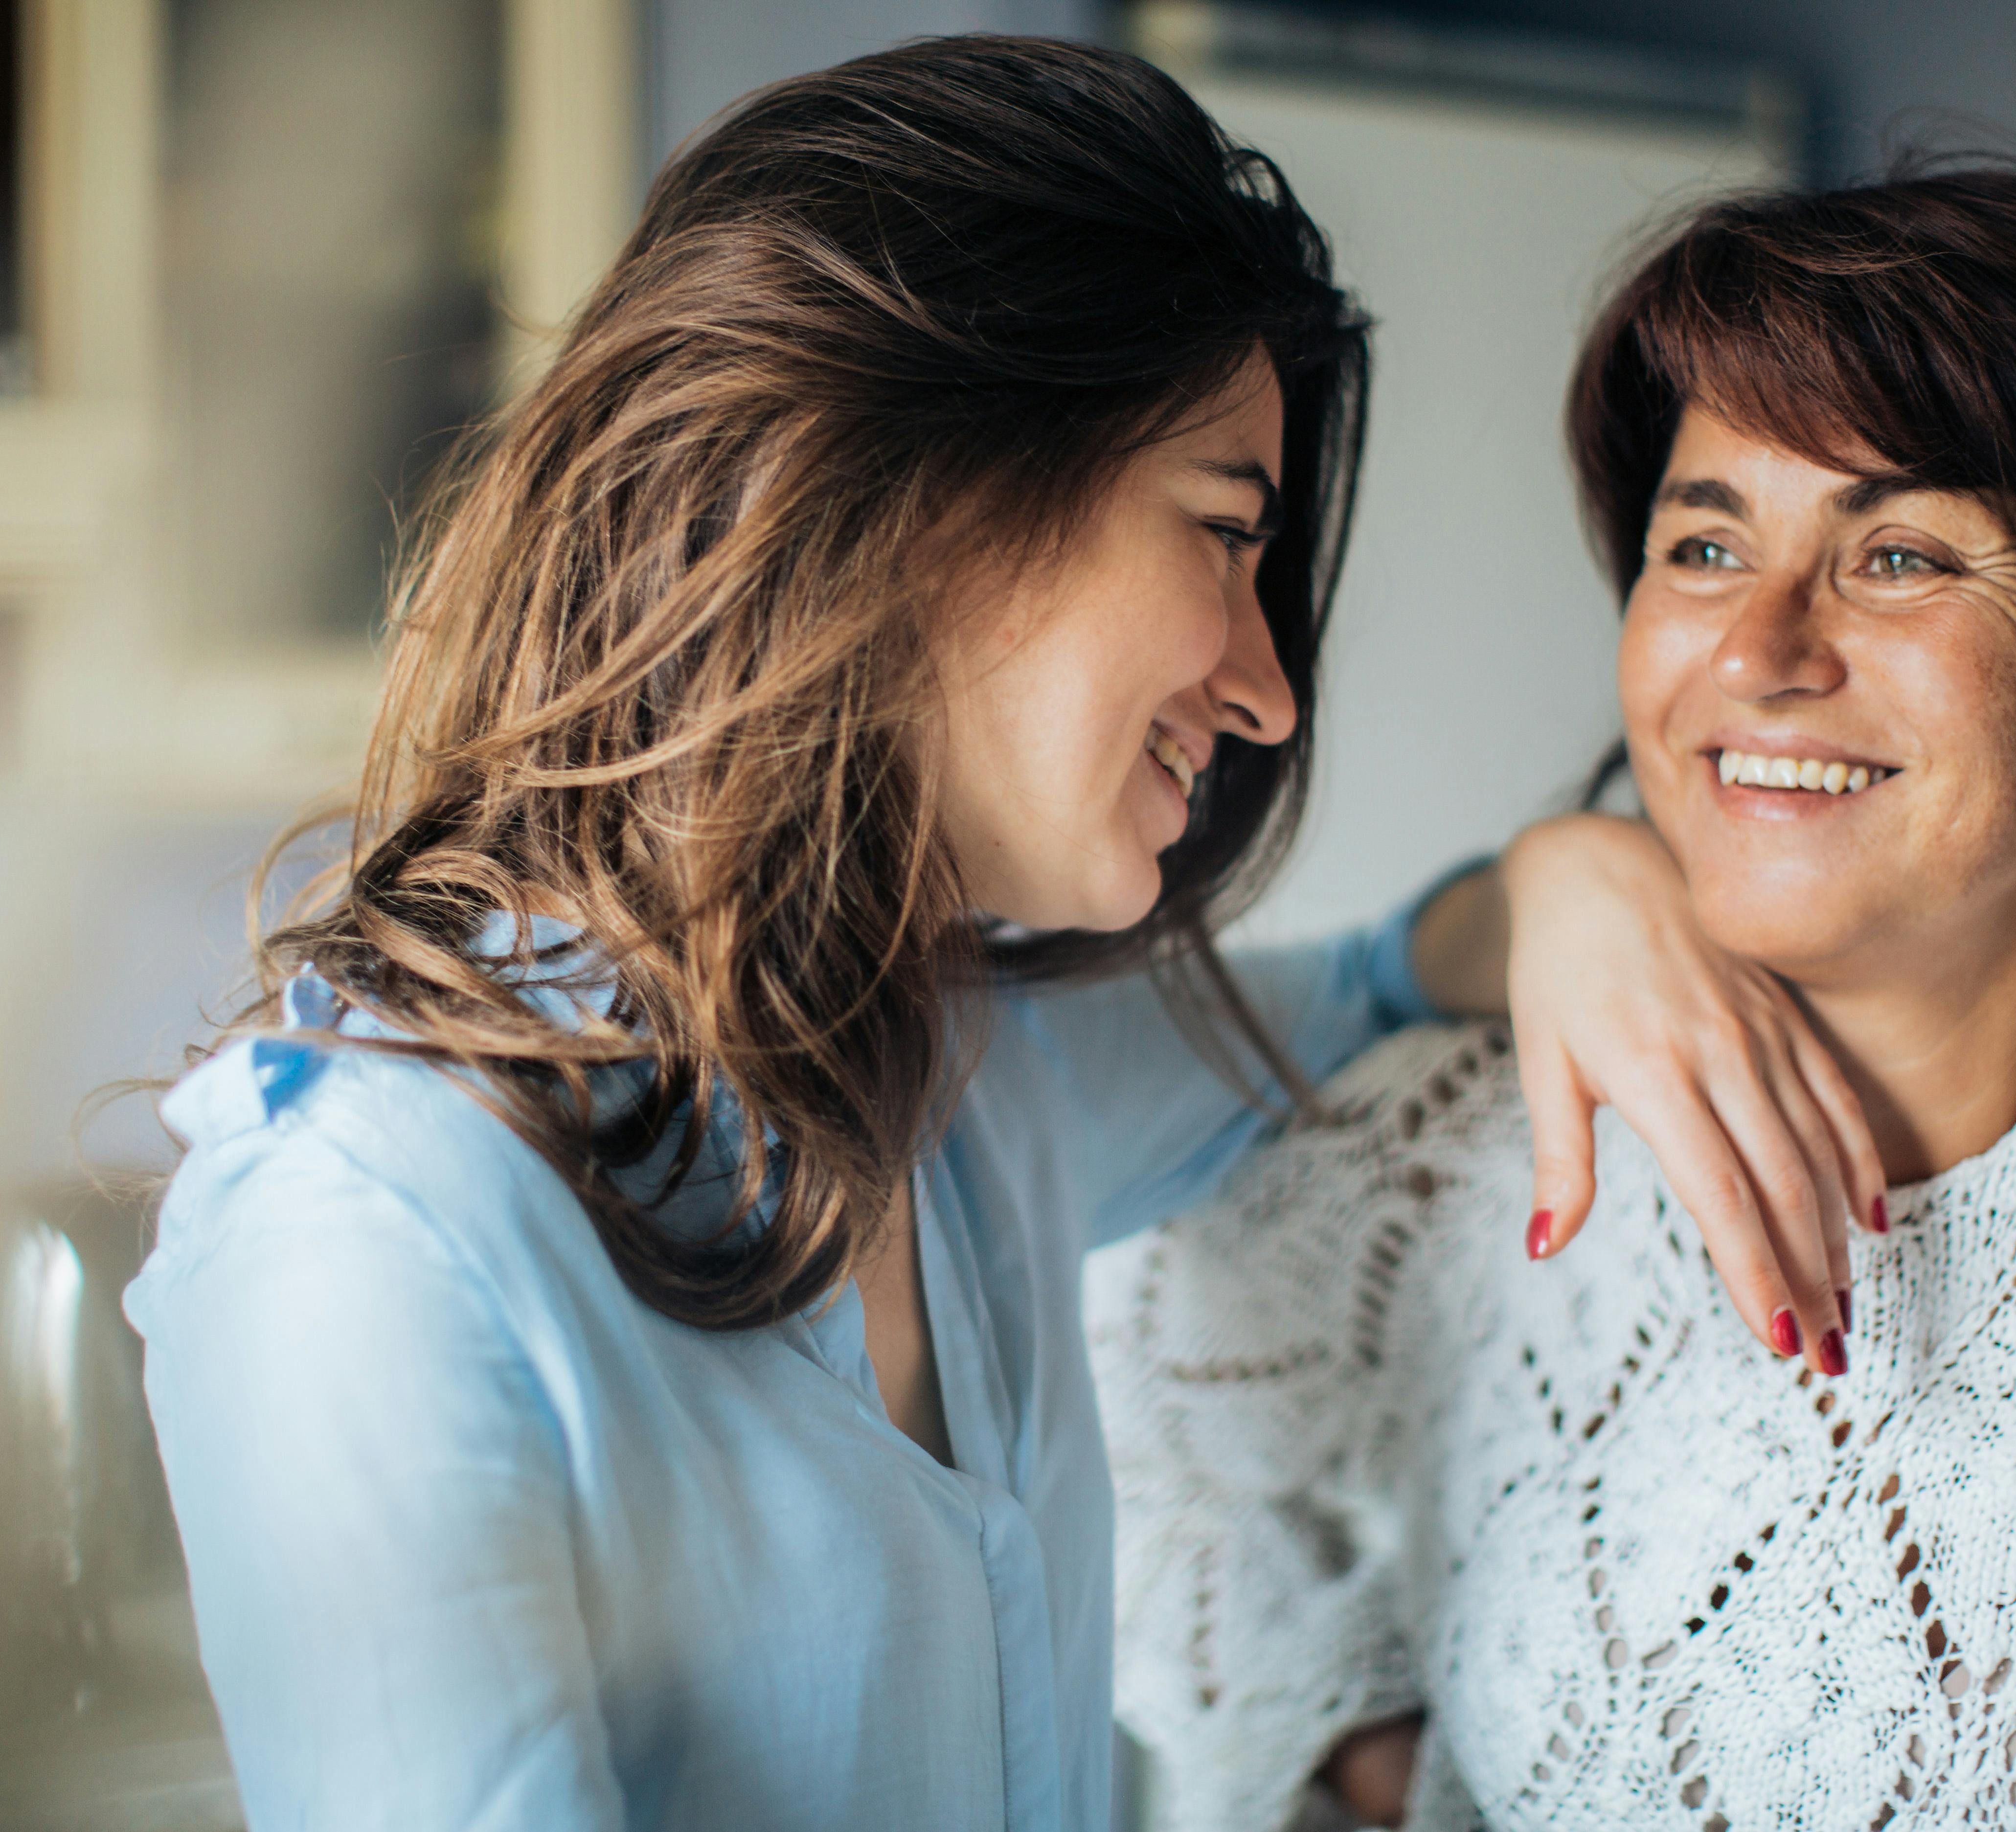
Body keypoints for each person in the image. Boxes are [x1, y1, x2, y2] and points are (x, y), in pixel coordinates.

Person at [123, 38, 1880, 1832]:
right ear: (919, 496)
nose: (1268, 693)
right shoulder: (375, 1230)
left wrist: (1579, 873)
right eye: (1220, 533)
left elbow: (1361, 991)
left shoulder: (956, 1071)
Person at [1094, 162, 2016, 1831]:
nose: (1758, 644)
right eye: (1705, 540)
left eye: (1897, 554)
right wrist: (1384, 1772)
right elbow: (1148, 1451)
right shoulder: (1475, 1147)